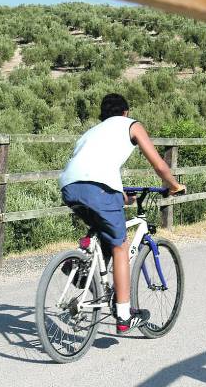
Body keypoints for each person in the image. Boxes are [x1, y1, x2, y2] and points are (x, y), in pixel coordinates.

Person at [59, 93, 186, 334]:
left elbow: (89, 173)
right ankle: (125, 316)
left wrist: (122, 197)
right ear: (125, 112)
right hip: (99, 187)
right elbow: (159, 165)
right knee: (120, 246)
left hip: (70, 187)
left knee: (101, 229)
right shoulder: (131, 125)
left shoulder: (91, 132)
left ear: (103, 115)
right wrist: (173, 185)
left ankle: (79, 265)